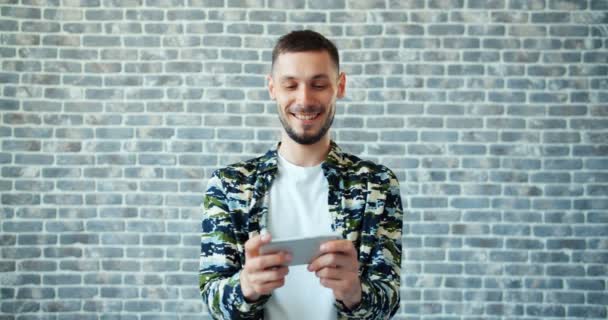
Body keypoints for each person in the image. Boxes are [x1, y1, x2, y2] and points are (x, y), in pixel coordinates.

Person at [199, 30, 403, 320]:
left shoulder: (377, 185)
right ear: (272, 88)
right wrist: (246, 286)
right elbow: (212, 299)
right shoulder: (230, 185)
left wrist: (354, 293)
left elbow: (389, 300)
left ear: (340, 86)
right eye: (290, 85)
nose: (304, 100)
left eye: (318, 84)